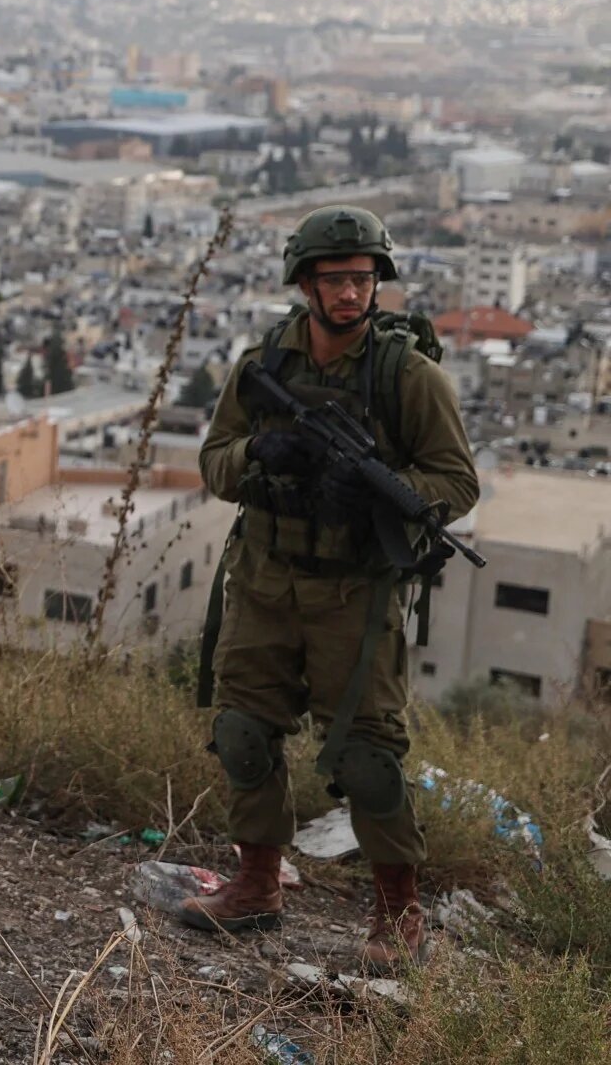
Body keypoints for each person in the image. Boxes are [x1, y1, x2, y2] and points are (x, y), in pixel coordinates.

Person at [186, 206, 478, 969]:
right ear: (305, 282)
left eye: (362, 278)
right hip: (264, 576)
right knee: (244, 733)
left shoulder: (406, 374)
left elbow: (455, 480)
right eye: (334, 279)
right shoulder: (268, 364)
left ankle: (397, 912)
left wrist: (383, 494)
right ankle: (256, 884)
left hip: (355, 592)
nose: (350, 294)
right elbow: (216, 461)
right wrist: (263, 451)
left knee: (365, 758)